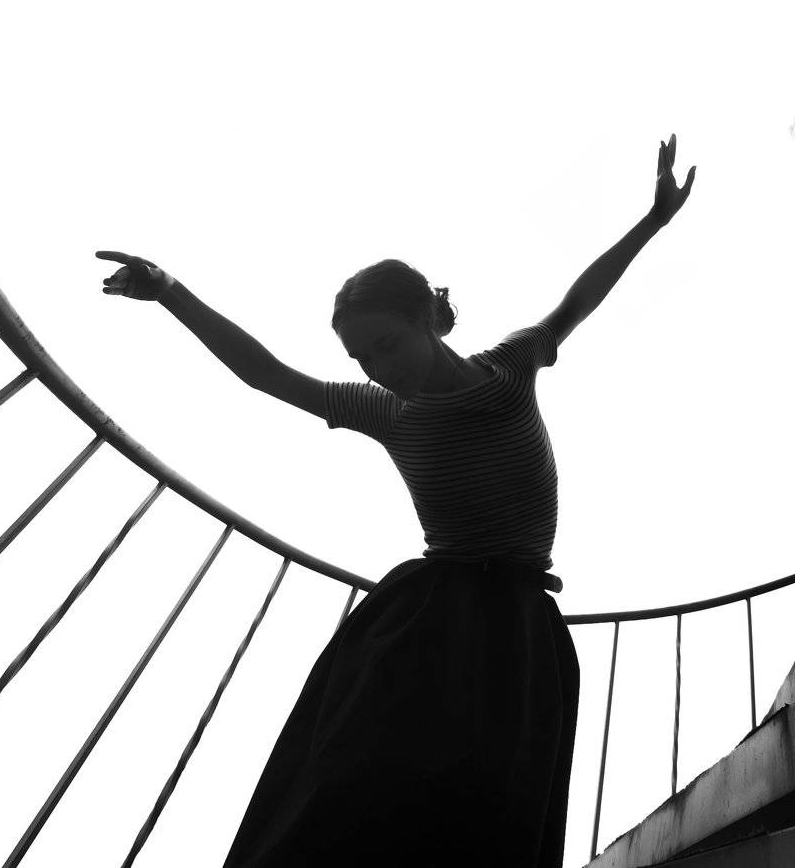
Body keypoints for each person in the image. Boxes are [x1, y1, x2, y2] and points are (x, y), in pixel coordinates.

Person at [97, 136, 695, 867]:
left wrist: (653, 220)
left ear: (428, 320)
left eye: (386, 345)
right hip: (430, 617)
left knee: (491, 808)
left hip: (517, 624)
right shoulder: (386, 410)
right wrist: (169, 291)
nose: (378, 368)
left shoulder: (511, 367)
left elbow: (581, 298)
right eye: (361, 358)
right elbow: (265, 373)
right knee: (354, 787)